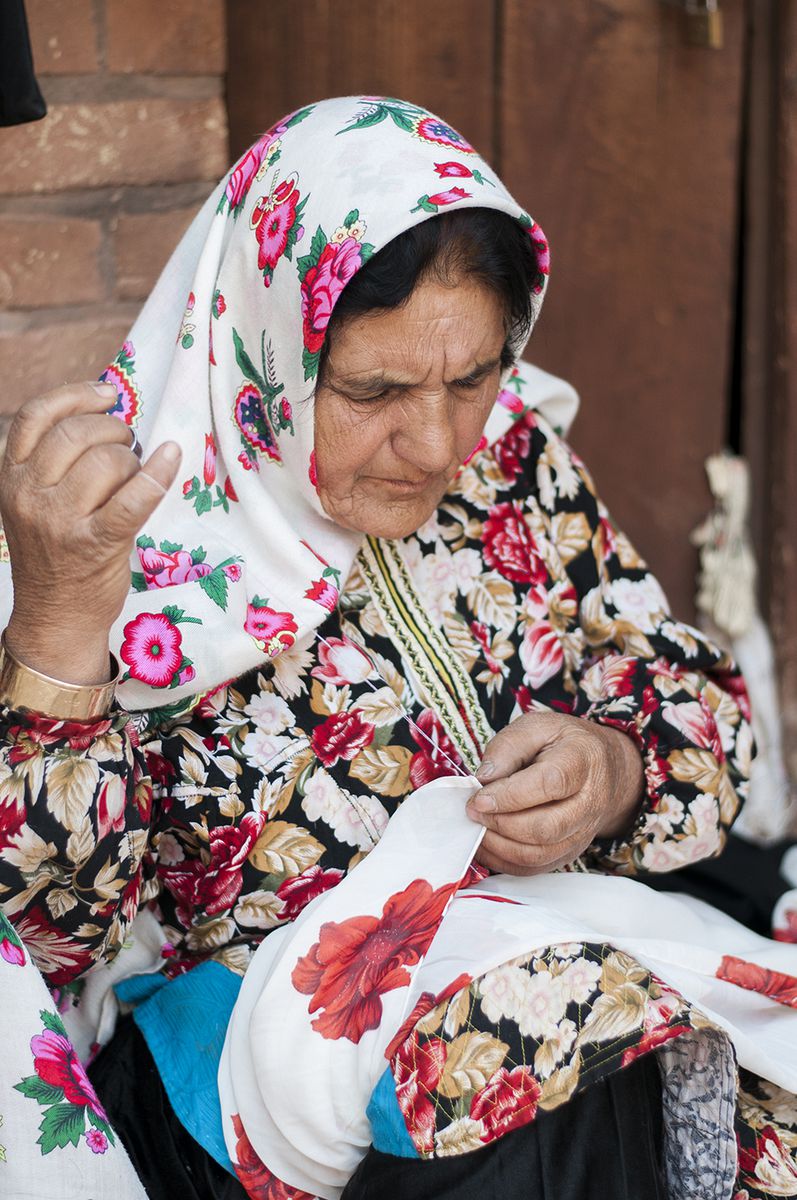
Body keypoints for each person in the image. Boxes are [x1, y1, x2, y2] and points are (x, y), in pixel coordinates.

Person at [0, 96, 789, 1200]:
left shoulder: (511, 459)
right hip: (254, 1072)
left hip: (565, 970)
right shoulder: (121, 539)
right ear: (266, 345)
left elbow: (691, 704)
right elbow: (45, 950)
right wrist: (58, 630)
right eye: (372, 390)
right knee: (527, 1063)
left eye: (469, 378)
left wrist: (613, 770)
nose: (434, 445)